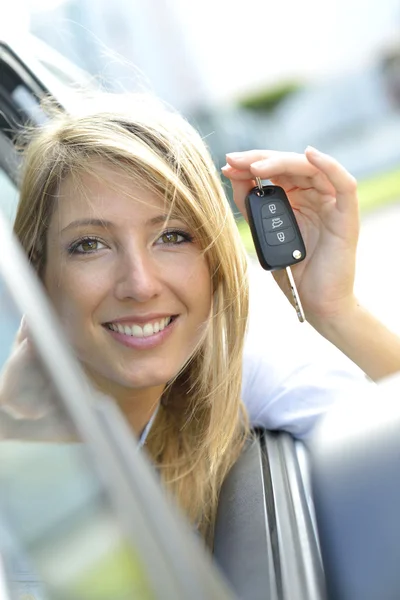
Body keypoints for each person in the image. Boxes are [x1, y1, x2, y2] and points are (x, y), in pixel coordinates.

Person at [0, 92, 379, 540]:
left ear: (213, 259)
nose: (139, 284)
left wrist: (337, 312)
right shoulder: (17, 428)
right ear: (37, 273)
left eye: (172, 236)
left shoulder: (235, 374)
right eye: (89, 245)